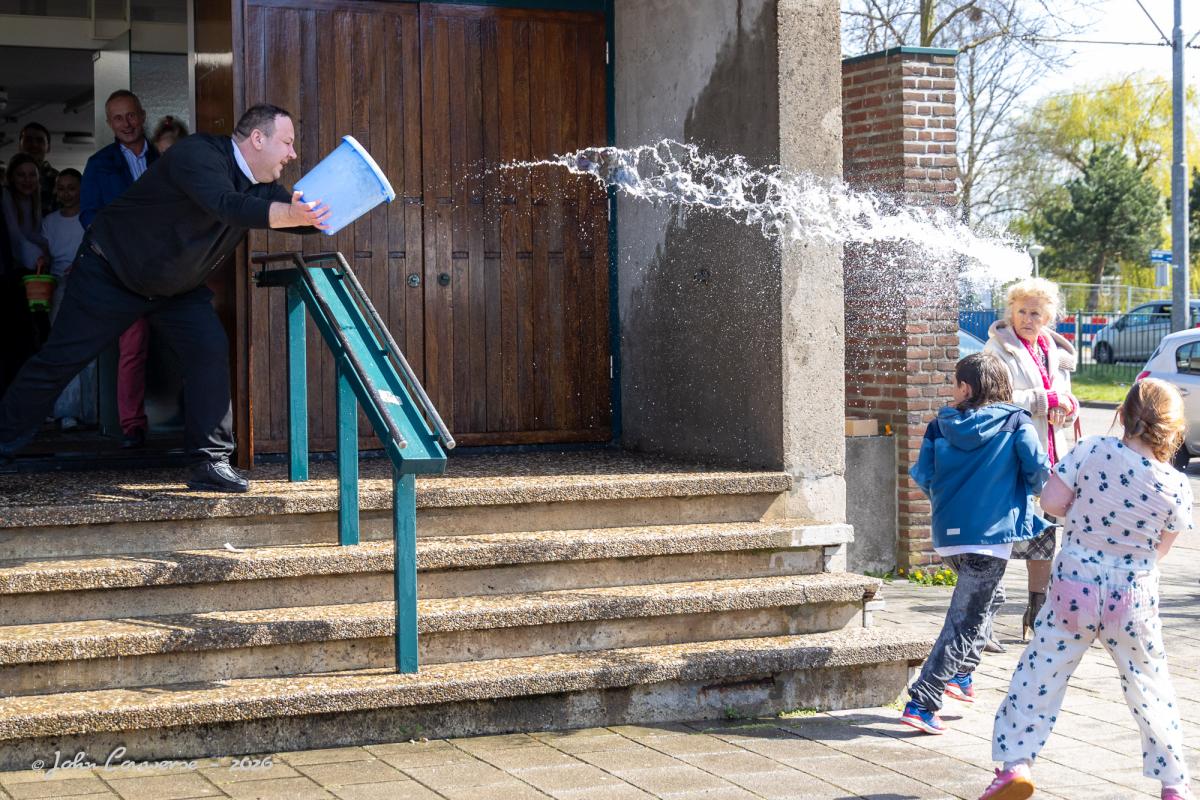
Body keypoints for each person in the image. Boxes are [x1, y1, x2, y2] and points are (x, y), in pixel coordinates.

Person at [0, 103, 331, 491]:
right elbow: (228, 205)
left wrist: (331, 209)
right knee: (59, 360)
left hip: (175, 288)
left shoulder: (260, 186)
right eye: (287, 142)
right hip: (111, 272)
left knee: (208, 350)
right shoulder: (199, 154)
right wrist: (293, 214)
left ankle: (210, 462)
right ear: (258, 138)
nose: (292, 154)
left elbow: (292, 216)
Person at [980, 379, 1194, 800]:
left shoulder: (1092, 450)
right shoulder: (1175, 485)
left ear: (1122, 415)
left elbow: (1051, 503)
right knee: (1150, 685)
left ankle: (1015, 763)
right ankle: (1174, 783)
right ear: (1173, 429)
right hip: (1132, 597)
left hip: (1074, 587)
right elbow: (1160, 550)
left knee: (1040, 673)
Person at [899, 352, 1050, 735]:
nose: (952, 390)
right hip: (990, 537)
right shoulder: (1016, 422)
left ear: (966, 388)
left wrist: (950, 503)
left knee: (990, 598)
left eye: (954, 383)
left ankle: (962, 674)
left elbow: (924, 475)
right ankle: (923, 701)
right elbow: (1037, 470)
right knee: (965, 621)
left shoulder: (938, 426)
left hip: (948, 536)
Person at [984, 277, 1078, 641]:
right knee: (1004, 533)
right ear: (1010, 311)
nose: (1027, 318)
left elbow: (1065, 397)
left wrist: (1066, 406)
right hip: (1012, 455)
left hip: (1051, 454)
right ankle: (984, 617)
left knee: (1044, 532)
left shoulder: (1054, 350)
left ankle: (1037, 610)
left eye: (1035, 313)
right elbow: (994, 399)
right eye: (1021, 311)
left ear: (1048, 317)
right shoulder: (997, 349)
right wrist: (1044, 401)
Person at [81, 90, 160, 449]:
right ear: (109, 123)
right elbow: (88, 215)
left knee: (189, 341)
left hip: (168, 266)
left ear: (142, 115)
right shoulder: (99, 164)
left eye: (131, 115)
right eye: (118, 118)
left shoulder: (163, 158)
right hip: (124, 268)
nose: (126, 124)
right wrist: (116, 247)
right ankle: (132, 426)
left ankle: (200, 424)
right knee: (133, 344)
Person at [40, 169, 94, 430]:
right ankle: (66, 410)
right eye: (61, 188)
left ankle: (91, 411)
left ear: (82, 189)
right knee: (63, 350)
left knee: (91, 350)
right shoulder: (49, 222)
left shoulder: (89, 218)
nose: (66, 193)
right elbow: (46, 255)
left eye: (72, 187)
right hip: (59, 288)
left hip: (89, 285)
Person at [18, 122, 59, 216]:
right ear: (19, 145)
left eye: (40, 140)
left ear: (48, 147)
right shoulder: (6, 180)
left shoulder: (59, 181)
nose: (34, 144)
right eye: (28, 140)